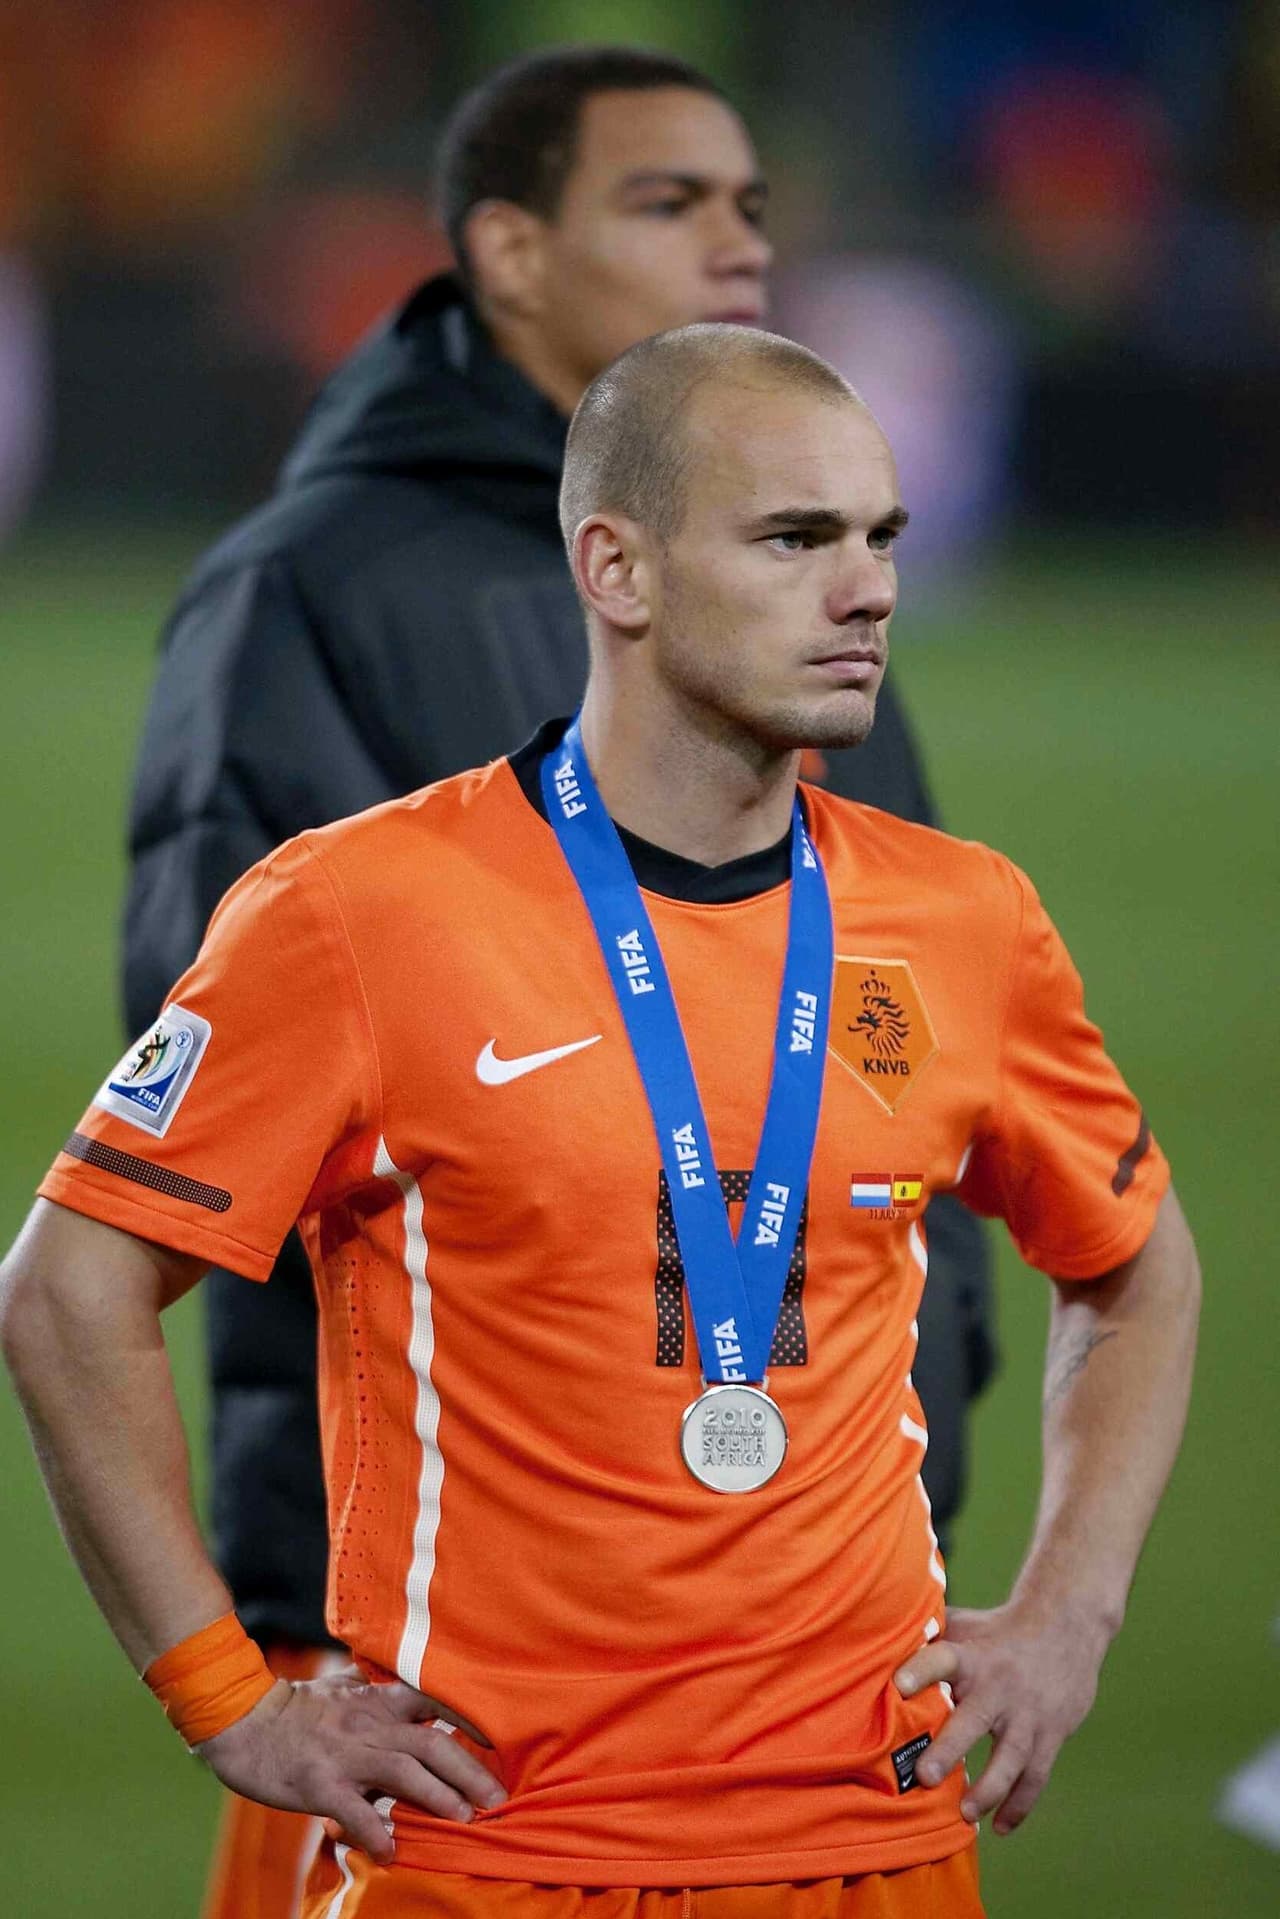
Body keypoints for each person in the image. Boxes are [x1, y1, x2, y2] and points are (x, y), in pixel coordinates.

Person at [3, 324, 1198, 1919]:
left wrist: (1071, 1612)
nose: (869, 591)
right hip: (501, 1856)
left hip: (881, 1851)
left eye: (880, 537)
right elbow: (71, 1290)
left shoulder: (961, 918)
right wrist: (230, 1697)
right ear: (616, 570)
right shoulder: (359, 911)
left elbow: (1135, 1265)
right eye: (794, 539)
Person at [123, 44, 994, 1915]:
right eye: (669, 201)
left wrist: (936, 1380)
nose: (739, 244)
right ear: (507, 251)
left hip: (809, 1630)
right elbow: (210, 1130)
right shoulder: (318, 582)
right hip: (433, 1648)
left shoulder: (792, 587)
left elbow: (900, 1023)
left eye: (755, 204)